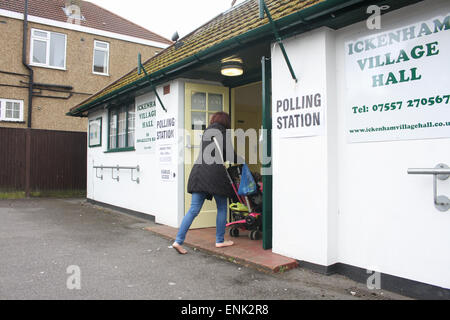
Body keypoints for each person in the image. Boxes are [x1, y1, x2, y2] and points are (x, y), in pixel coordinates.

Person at [173, 112, 239, 254]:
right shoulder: (223, 132)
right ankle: (220, 241)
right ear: (226, 122)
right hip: (215, 174)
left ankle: (178, 241)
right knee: (222, 207)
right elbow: (229, 155)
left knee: (193, 210)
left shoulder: (206, 132)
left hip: (198, 173)